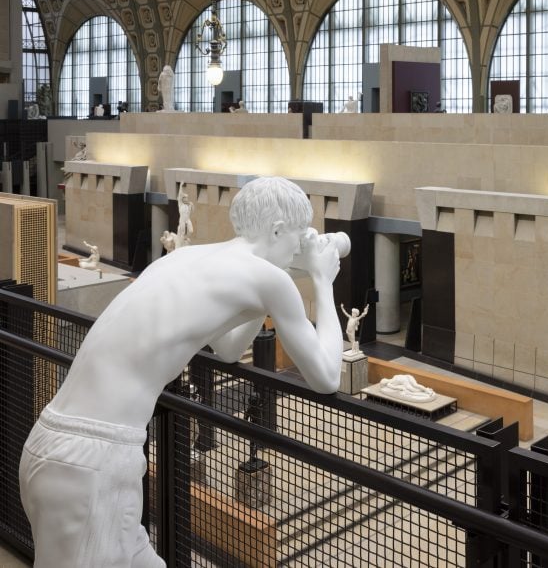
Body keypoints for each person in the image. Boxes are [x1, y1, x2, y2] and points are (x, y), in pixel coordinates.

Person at [20, 176, 350, 568]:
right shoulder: (269, 279)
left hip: (59, 446)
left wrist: (274, 293)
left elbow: (227, 350)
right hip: (94, 461)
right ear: (278, 229)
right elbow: (327, 376)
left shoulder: (185, 256)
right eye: (297, 236)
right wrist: (322, 280)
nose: (301, 246)